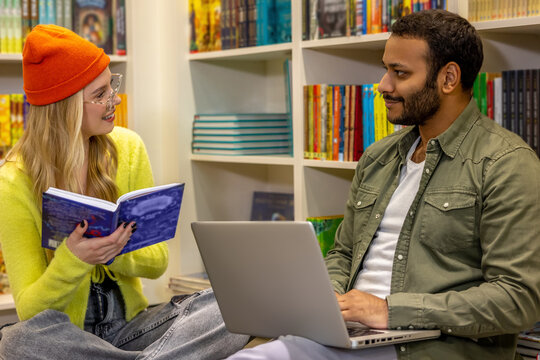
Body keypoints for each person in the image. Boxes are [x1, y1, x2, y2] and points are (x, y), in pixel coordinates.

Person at [228, 9, 540, 360]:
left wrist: (389, 311)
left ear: (448, 78)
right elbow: (343, 254)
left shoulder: (506, 163)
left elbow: (519, 299)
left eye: (400, 73)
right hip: (348, 334)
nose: (383, 85)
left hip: (430, 347)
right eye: (386, 69)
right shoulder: (378, 157)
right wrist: (324, 300)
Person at [0, 24, 249, 359]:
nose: (114, 99)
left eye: (112, 85)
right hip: (68, 339)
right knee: (16, 341)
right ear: (65, 107)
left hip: (133, 327)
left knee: (232, 305)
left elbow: (157, 262)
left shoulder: (127, 148)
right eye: (100, 94)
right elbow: (31, 310)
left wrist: (114, 250)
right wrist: (74, 260)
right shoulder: (14, 181)